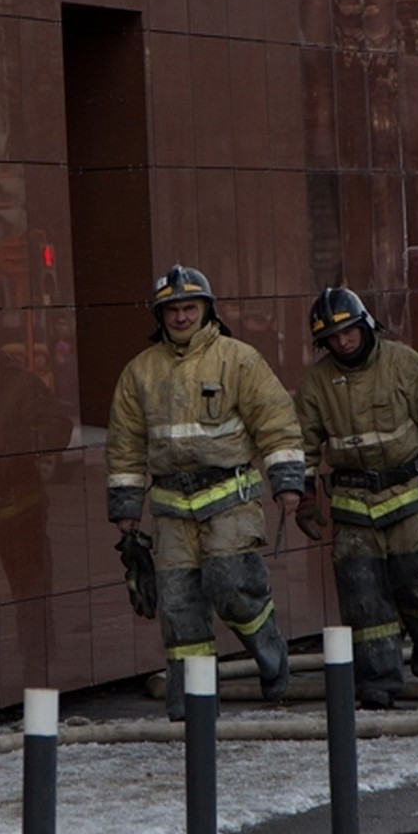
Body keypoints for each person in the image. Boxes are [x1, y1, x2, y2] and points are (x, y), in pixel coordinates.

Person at [105, 264, 305, 720]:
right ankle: (191, 702)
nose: (180, 317)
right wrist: (125, 508)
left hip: (229, 499)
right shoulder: (140, 373)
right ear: (160, 316)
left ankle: (269, 651)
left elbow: (276, 423)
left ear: (206, 310)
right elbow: (125, 446)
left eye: (188, 308)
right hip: (173, 509)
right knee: (178, 608)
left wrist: (288, 483)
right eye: (172, 310)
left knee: (232, 586)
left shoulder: (239, 360)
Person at [294, 287, 418, 709]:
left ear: (365, 324)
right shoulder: (317, 383)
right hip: (351, 503)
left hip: (404, 496)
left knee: (412, 581)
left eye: (348, 332)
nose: (342, 342)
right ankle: (379, 679)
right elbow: (302, 445)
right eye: (332, 338)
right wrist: (304, 498)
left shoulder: (404, 364)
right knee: (361, 594)